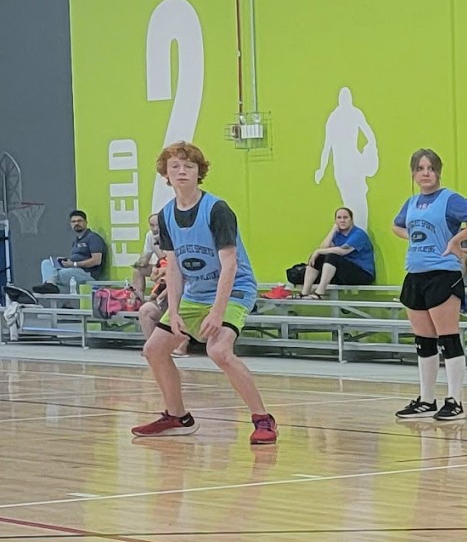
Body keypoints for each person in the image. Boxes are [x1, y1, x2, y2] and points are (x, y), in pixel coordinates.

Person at [130, 142, 277, 445]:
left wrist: (218, 312)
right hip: (195, 292)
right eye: (175, 167)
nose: (182, 171)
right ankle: (177, 417)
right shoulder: (166, 215)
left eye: (189, 166)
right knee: (154, 349)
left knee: (219, 351)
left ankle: (263, 419)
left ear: (199, 173)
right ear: (166, 175)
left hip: (234, 289)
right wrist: (173, 312)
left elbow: (230, 265)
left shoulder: (217, 210)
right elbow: (173, 268)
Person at [391, 149, 467, 423]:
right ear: (413, 173)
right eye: (420, 168)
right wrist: (412, 237)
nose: (425, 173)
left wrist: (457, 240)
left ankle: (455, 400)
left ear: (438, 172)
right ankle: (426, 399)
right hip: (415, 273)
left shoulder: (449, 199)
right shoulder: (411, 203)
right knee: (424, 340)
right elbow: (396, 226)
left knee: (448, 337)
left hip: (442, 273)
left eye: (430, 168)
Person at [292, 207, 377, 297]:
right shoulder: (338, 235)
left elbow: (343, 251)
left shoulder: (358, 234)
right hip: (344, 273)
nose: (342, 220)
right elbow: (324, 248)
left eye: (345, 217)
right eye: (339, 218)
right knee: (318, 257)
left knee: (332, 257)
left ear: (351, 220)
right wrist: (332, 231)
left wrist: (318, 251)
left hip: (363, 274)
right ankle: (305, 292)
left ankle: (320, 293)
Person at [38, 209, 108, 291]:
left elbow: (96, 260)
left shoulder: (93, 238)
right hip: (73, 269)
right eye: (73, 222)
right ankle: (50, 285)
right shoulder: (76, 241)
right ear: (70, 224)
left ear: (86, 222)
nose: (76, 223)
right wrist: (65, 261)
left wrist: (74, 264)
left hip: (87, 273)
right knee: (46, 263)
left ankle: (50, 285)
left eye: (79, 221)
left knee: (56, 275)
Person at [130, 212, 161, 297]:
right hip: (160, 268)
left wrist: (156, 241)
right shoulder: (149, 235)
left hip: (173, 269)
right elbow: (146, 257)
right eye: (152, 225)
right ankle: (137, 299)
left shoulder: (171, 234)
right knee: (138, 270)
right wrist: (140, 262)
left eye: (158, 225)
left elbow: (165, 257)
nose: (155, 228)